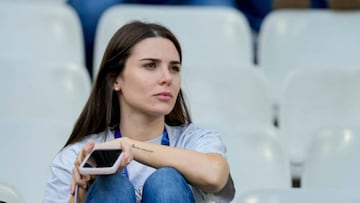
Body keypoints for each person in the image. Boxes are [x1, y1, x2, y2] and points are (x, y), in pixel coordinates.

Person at [44, 21, 235, 203]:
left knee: (166, 181)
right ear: (115, 80)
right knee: (110, 184)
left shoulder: (196, 141)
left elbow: (215, 175)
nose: (167, 78)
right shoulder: (77, 157)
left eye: (174, 68)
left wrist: (129, 147)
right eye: (150, 65)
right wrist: (82, 192)